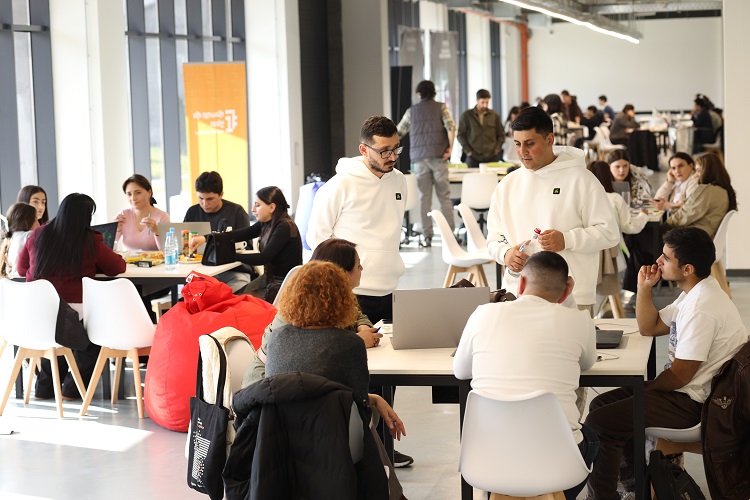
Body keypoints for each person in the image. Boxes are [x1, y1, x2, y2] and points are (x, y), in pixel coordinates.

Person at [584, 227, 748, 500]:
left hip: (698, 403)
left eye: (667, 258)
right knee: (600, 406)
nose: (658, 261)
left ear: (687, 269)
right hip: (687, 391)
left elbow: (681, 375)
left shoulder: (701, 308)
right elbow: (649, 326)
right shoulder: (695, 291)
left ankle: (605, 496)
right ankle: (635, 487)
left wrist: (645, 388)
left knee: (601, 422)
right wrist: (643, 287)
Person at [454, 251, 598, 500]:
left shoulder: (482, 313)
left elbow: (460, 371)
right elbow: (587, 363)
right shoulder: (579, 320)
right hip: (558, 463)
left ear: (520, 283)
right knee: (592, 438)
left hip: (487, 458)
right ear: (567, 290)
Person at [263, 261, 407, 497]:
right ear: (342, 299)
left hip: (279, 444)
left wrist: (373, 399)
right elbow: (358, 407)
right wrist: (373, 400)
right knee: (369, 430)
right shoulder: (348, 344)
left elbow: (294, 391)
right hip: (333, 447)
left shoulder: (276, 339)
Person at [486, 106, 619, 314]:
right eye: (518, 144)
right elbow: (493, 239)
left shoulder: (582, 180)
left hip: (572, 294)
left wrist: (567, 239)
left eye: (530, 143)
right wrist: (506, 254)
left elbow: (609, 233)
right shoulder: (507, 185)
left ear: (549, 140)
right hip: (518, 294)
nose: (522, 152)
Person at [16, 193, 126, 400]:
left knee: (58, 332)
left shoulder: (38, 234)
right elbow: (117, 267)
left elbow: (22, 269)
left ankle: (45, 388)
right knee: (94, 335)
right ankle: (73, 389)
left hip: (37, 312)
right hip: (71, 312)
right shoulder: (90, 239)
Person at [242, 238, 383, 388]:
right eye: (358, 265)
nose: (361, 269)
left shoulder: (333, 299)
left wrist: (363, 327)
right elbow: (306, 358)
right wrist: (357, 341)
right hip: (267, 387)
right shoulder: (297, 312)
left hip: (298, 387)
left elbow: (357, 314)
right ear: (341, 274)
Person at [307, 116, 407, 324]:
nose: (392, 157)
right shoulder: (338, 186)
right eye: (384, 151)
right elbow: (318, 239)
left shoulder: (399, 180)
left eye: (396, 148)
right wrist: (340, 280)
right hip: (353, 293)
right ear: (364, 150)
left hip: (391, 288)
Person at [190, 186, 302, 300]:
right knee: (234, 298)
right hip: (270, 279)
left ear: (272, 207)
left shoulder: (284, 226)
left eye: (257, 205)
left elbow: (263, 258)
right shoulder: (266, 223)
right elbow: (237, 235)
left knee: (235, 300)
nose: (253, 209)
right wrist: (206, 238)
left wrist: (231, 256)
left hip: (283, 284)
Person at [396, 80, 456, 246]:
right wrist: (450, 148)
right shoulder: (441, 107)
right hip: (439, 157)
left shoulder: (411, 111)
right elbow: (451, 127)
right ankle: (449, 236)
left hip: (419, 160)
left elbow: (399, 131)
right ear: (434, 93)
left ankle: (427, 236)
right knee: (444, 198)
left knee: (425, 200)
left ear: (419, 94)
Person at [587, 161, 649, 305]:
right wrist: (643, 215)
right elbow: (630, 227)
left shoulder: (582, 199)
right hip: (613, 254)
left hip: (588, 252)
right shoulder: (614, 198)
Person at [661, 152, 736, 239]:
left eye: (699, 171)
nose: (696, 175)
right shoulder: (722, 190)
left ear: (708, 171)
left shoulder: (707, 190)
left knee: (651, 234)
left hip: (693, 238)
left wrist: (663, 226)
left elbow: (686, 215)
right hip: (702, 236)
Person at [114, 174, 170, 251]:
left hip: (155, 259)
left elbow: (167, 250)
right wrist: (115, 229)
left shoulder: (162, 216)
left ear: (149, 193)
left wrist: (157, 231)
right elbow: (108, 247)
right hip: (128, 259)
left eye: (138, 193)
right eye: (129, 194)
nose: (133, 198)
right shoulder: (123, 215)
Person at [183, 171, 251, 232]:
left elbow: (246, 241)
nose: (205, 204)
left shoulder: (237, 213)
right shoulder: (192, 213)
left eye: (210, 199)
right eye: (201, 198)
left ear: (221, 195)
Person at [457, 88, 504, 168]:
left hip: (491, 156)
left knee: (493, 176)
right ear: (477, 100)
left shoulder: (494, 115)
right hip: (473, 157)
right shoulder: (466, 116)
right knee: (472, 176)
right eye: (482, 102)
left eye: (487, 102)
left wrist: (497, 148)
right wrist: (468, 150)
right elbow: (460, 135)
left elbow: (501, 134)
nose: (485, 105)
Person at [0, 203, 39, 279]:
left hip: (12, 281)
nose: (38, 224)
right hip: (27, 281)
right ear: (25, 221)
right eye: (35, 220)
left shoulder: (11, 238)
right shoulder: (30, 236)